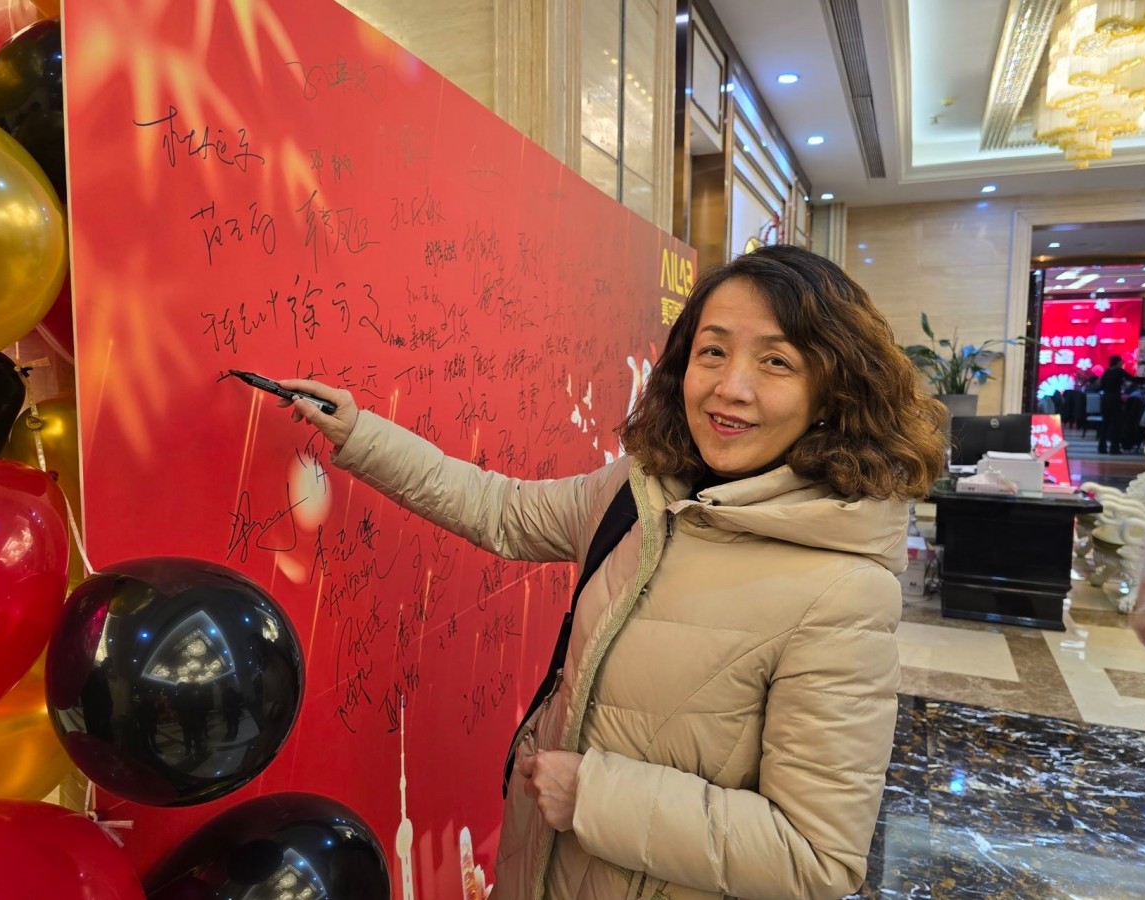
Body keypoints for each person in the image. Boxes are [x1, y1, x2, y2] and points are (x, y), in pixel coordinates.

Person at [279, 245, 948, 900]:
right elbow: (501, 510)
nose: (730, 387)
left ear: (831, 392)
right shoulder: (642, 494)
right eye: (712, 351)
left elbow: (817, 856)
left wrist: (595, 798)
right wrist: (360, 434)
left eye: (776, 361)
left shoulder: (844, 590)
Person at [1097, 356, 1131, 454]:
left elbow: (1101, 385)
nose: (1122, 363)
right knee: (1116, 424)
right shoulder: (1119, 371)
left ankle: (1102, 447)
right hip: (1115, 399)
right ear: (1117, 362)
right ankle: (1114, 448)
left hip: (1105, 399)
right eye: (1121, 362)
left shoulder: (1106, 372)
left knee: (1105, 423)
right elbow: (1131, 379)